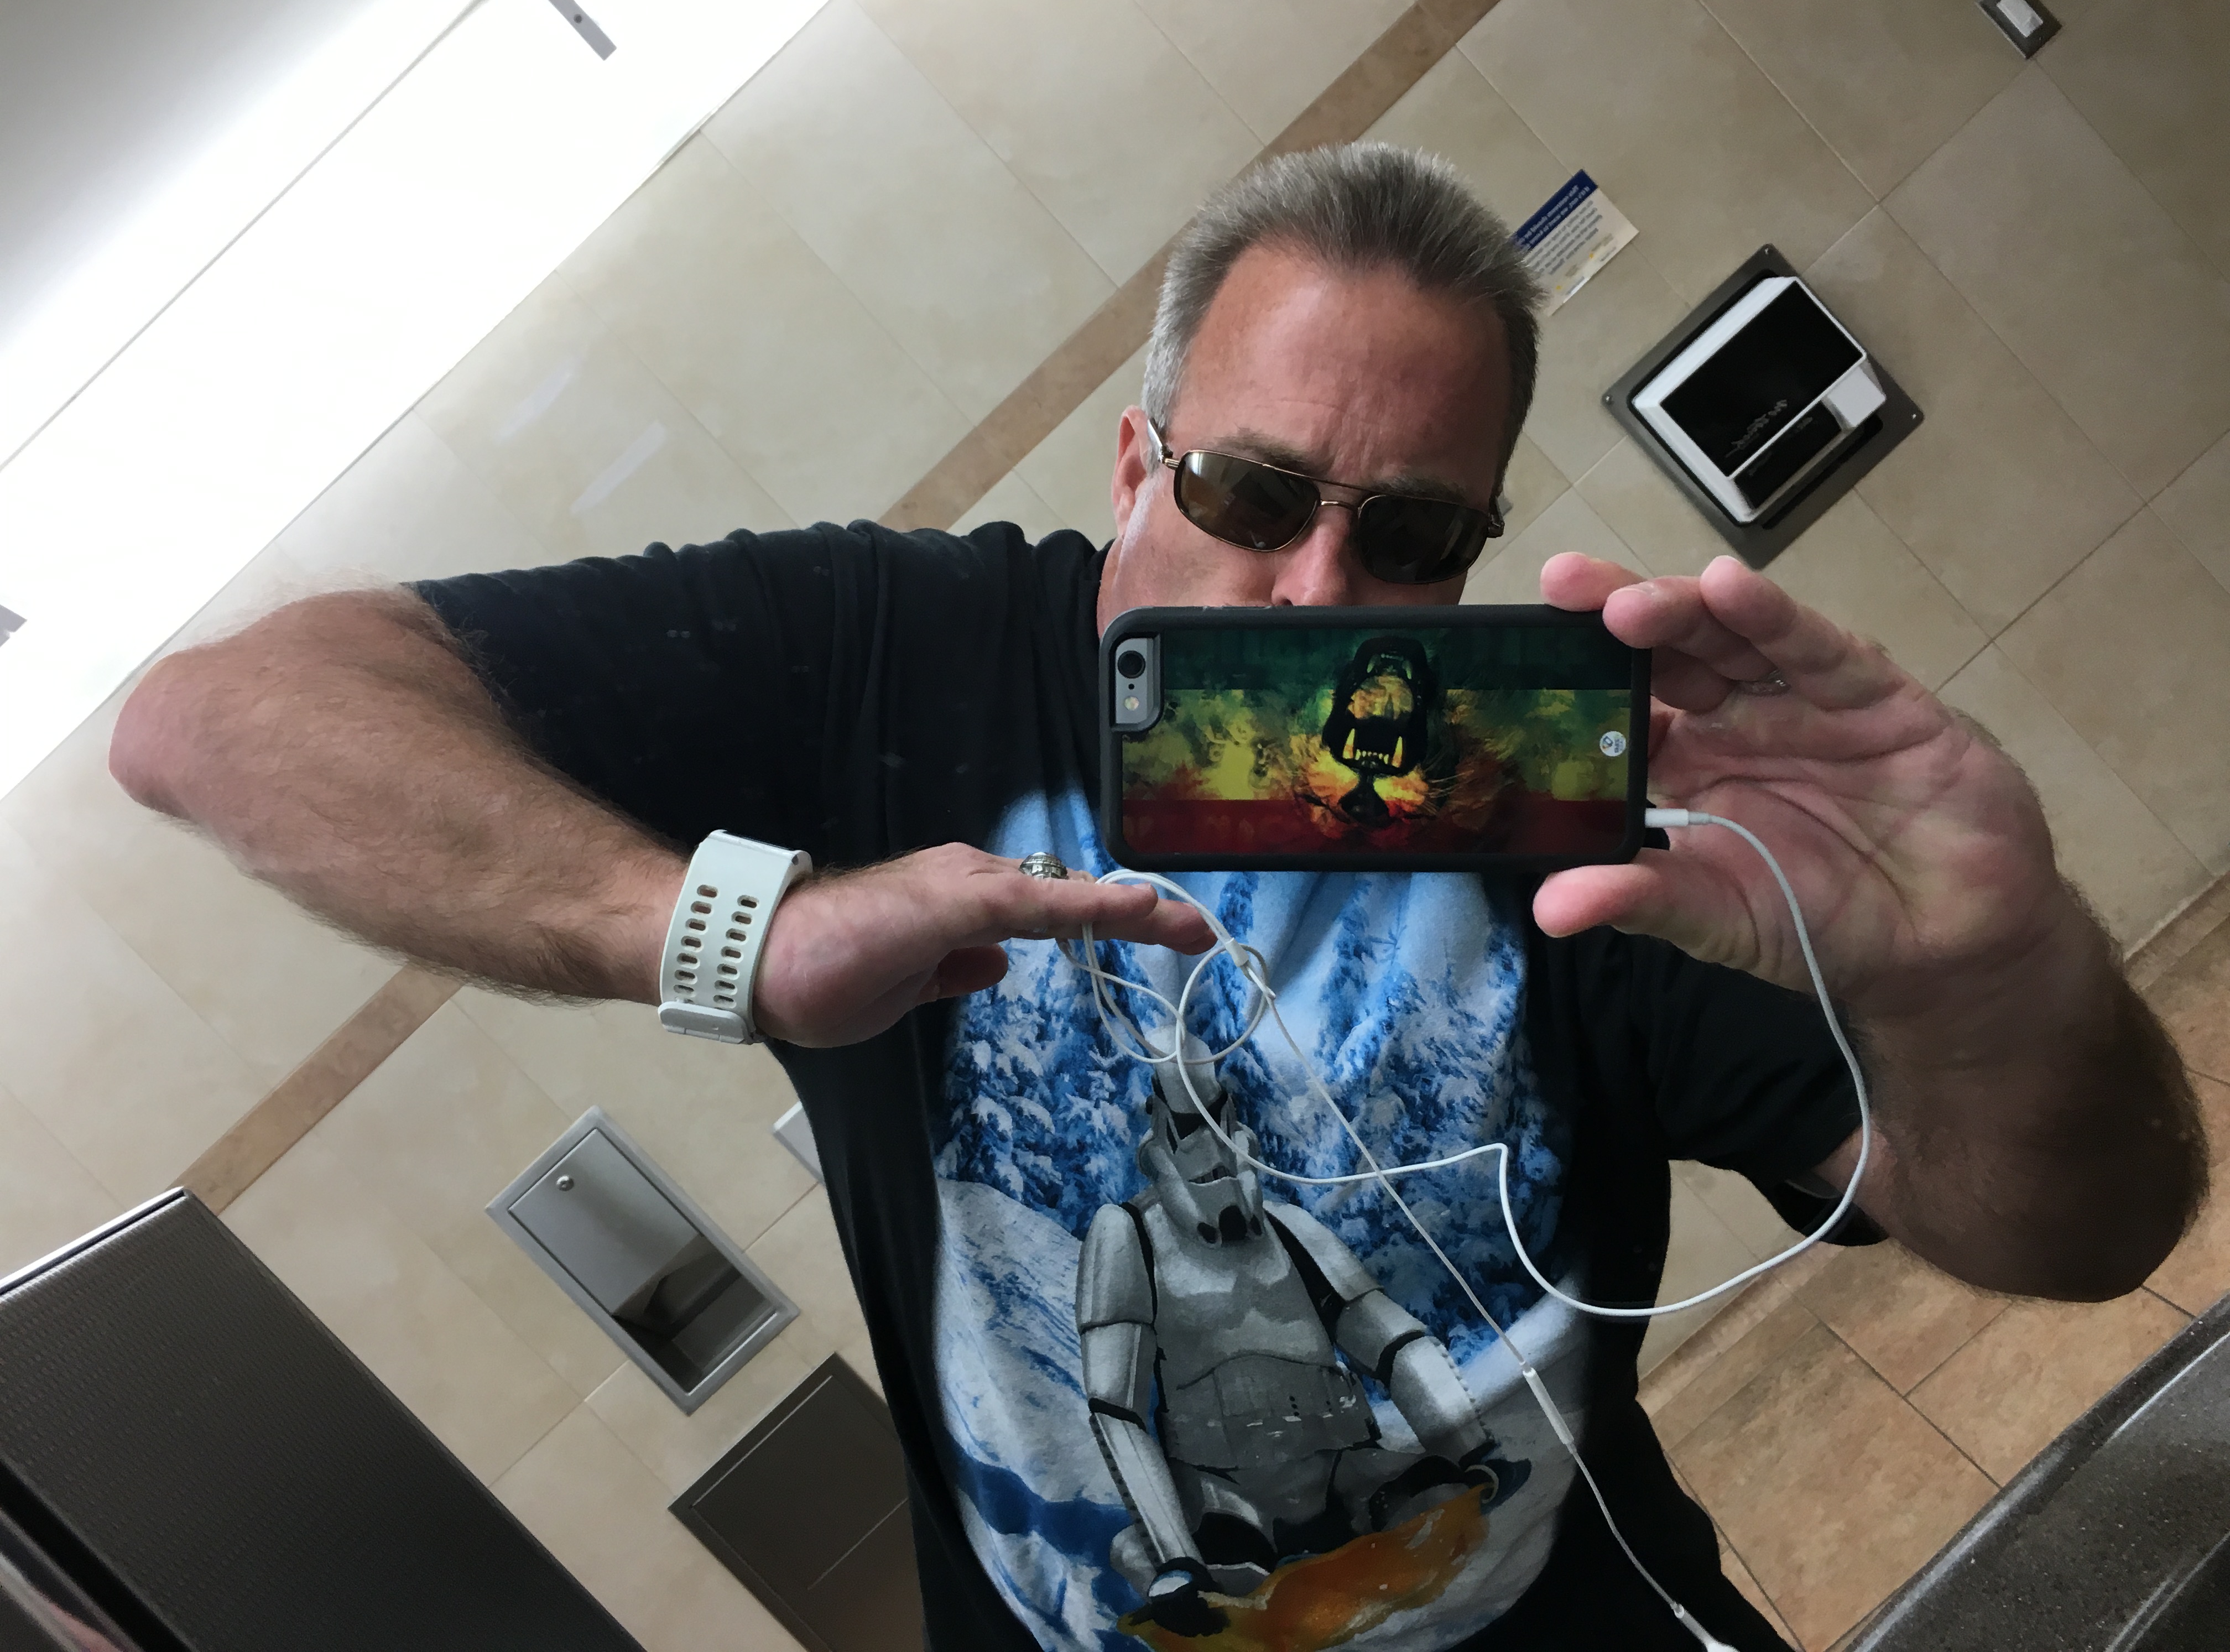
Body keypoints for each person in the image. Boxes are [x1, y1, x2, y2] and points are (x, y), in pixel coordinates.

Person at [110, 143, 2203, 1651]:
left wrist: (1991, 982)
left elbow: (2088, 1235)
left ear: (1481, 552)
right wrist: (722, 934)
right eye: (1250, 493)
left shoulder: (1546, 804)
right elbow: (218, 721)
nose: (1311, 590)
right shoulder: (879, 662)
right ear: (1135, 464)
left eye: (1410, 538)